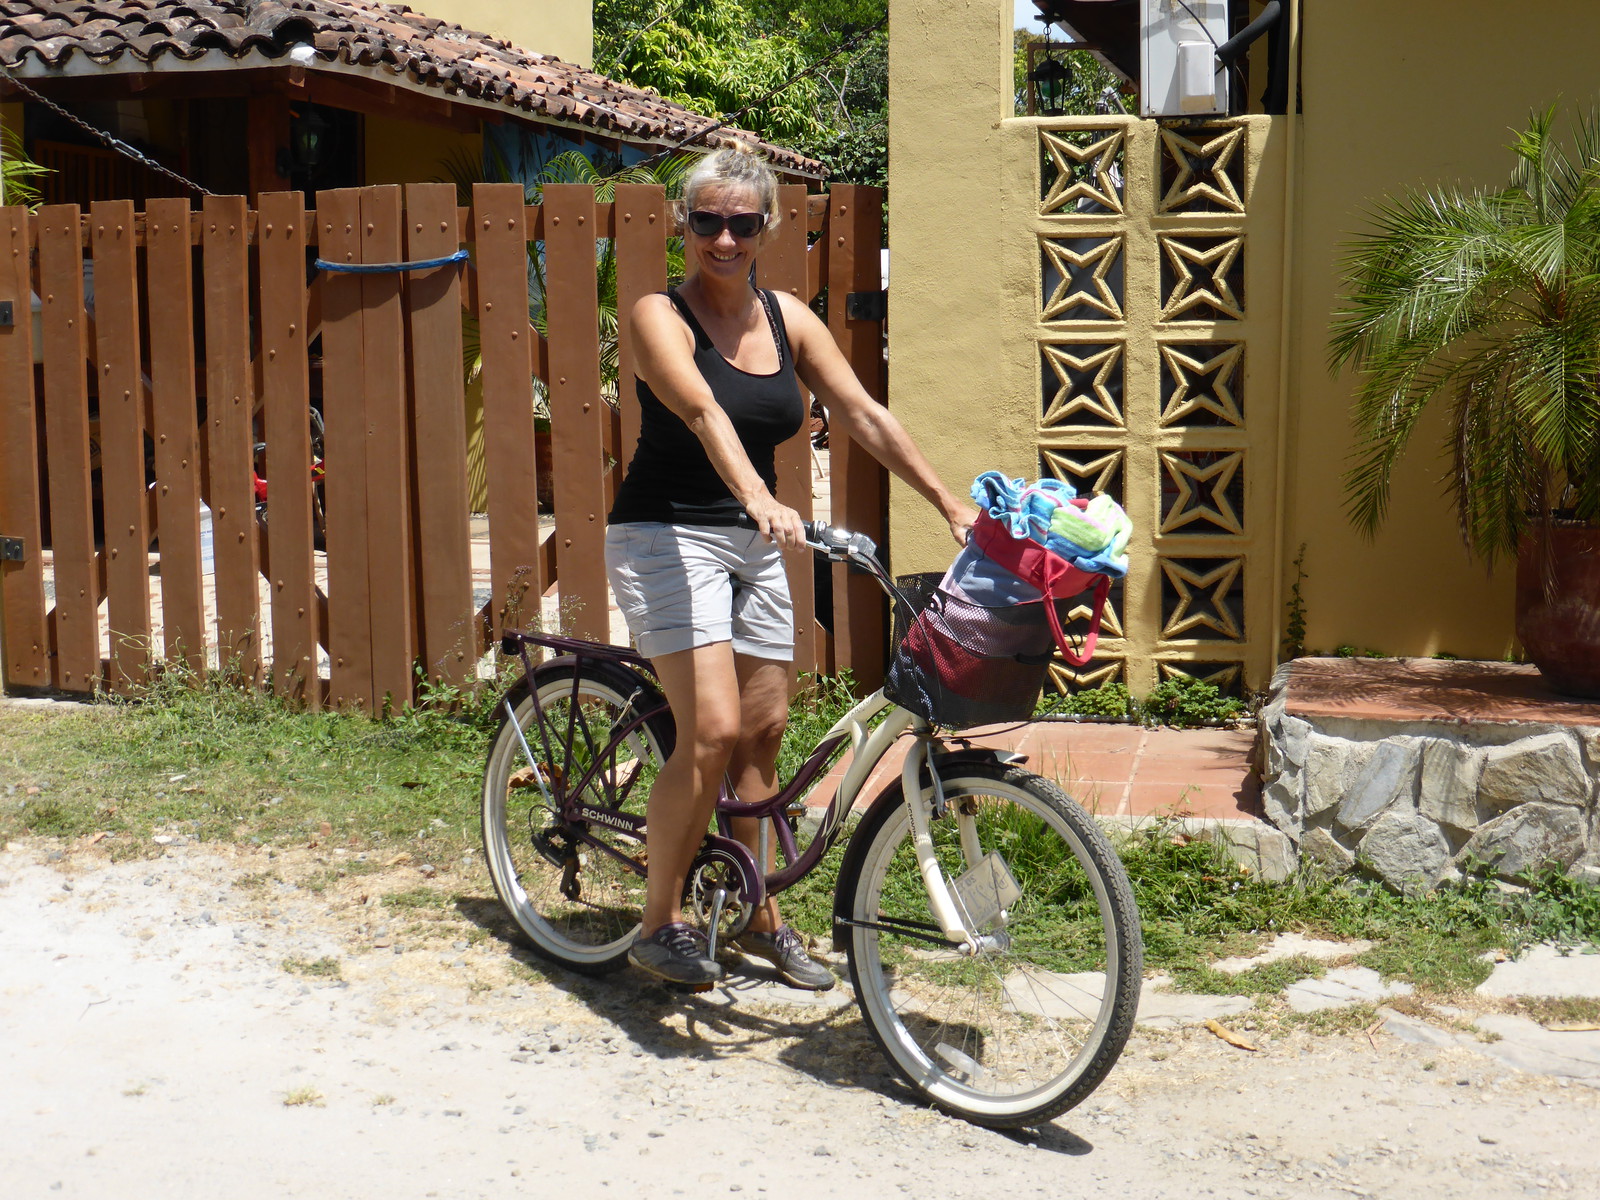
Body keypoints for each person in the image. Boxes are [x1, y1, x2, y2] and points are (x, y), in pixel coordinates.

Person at [605, 146, 974, 989]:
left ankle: (760, 910)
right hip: (668, 533)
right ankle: (659, 920)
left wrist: (948, 504)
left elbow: (862, 412)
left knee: (763, 736)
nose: (724, 239)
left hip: (755, 539)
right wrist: (761, 500)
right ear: (684, 226)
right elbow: (701, 411)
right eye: (707, 222)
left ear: (766, 226)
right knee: (712, 732)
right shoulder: (659, 314)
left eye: (741, 223)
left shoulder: (788, 318)